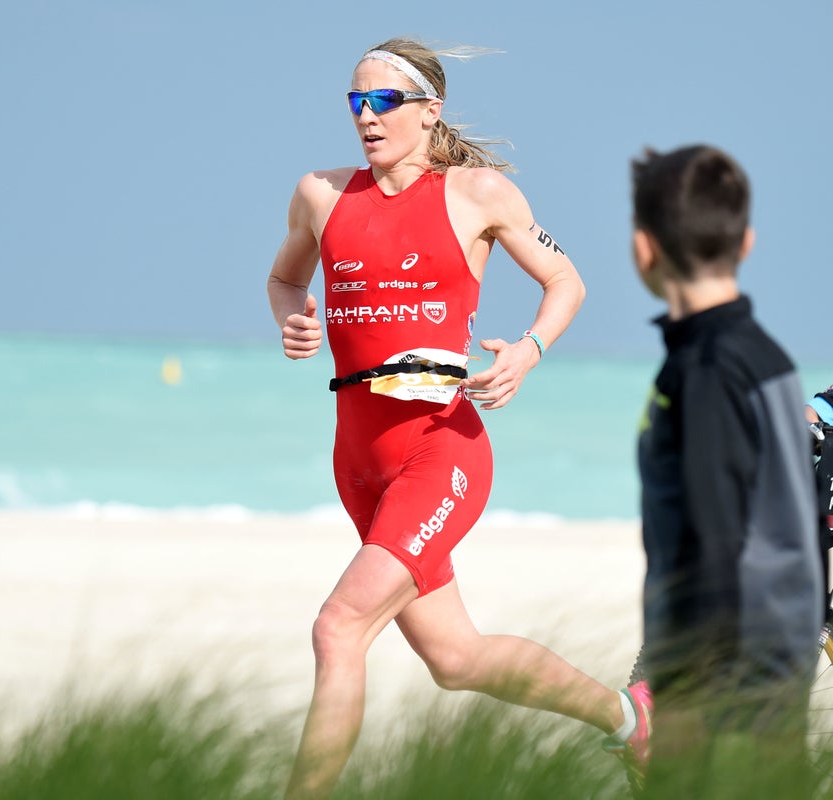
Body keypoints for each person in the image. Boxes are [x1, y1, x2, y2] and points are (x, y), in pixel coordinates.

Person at [265, 38, 648, 800]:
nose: (366, 118)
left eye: (383, 102)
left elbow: (565, 278)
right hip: (358, 464)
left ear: (428, 110)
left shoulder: (479, 196)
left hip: (441, 453)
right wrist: (294, 320)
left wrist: (530, 350)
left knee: (337, 626)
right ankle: (630, 725)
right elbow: (284, 277)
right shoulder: (320, 193)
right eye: (356, 102)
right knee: (456, 659)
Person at [630, 144, 823, 797]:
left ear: (643, 248)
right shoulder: (767, 355)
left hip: (728, 673)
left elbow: (716, 543)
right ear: (746, 242)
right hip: (776, 650)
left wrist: (683, 696)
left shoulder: (705, 372)